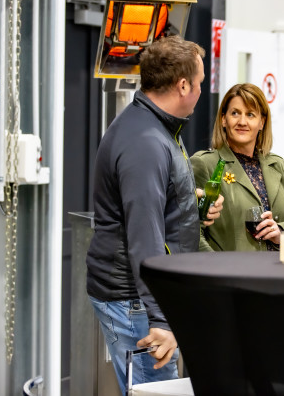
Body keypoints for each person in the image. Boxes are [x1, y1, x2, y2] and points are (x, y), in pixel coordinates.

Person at [85, 35, 223, 394]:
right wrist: (160, 318)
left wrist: (188, 205)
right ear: (183, 85)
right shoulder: (146, 142)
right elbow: (143, 236)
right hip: (135, 301)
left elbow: (152, 203)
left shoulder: (154, 126)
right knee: (155, 391)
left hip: (140, 296)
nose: (201, 90)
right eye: (200, 82)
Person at [190, 83, 284, 252]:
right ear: (223, 119)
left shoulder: (278, 166)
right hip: (231, 268)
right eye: (235, 113)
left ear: (262, 122)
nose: (242, 122)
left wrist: (281, 231)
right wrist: (216, 265)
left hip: (279, 267)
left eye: (250, 114)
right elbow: (193, 232)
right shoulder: (205, 164)